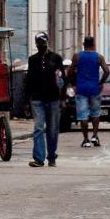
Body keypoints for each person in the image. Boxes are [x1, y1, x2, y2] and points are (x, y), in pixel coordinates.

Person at [26, 32, 63, 167]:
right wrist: (26, 100)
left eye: (43, 42)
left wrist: (62, 98)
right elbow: (29, 80)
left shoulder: (56, 58)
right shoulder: (33, 59)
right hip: (37, 99)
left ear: (47, 42)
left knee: (52, 129)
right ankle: (39, 158)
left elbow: (61, 78)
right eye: (38, 42)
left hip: (53, 99)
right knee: (39, 127)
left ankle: (52, 156)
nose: (41, 45)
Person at [70, 36, 109, 148]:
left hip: (81, 88)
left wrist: (74, 83)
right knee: (95, 113)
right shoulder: (99, 57)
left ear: (84, 44)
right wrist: (101, 82)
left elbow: (70, 71)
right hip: (94, 88)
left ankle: (86, 139)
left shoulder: (77, 56)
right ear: (94, 44)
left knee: (83, 115)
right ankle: (95, 136)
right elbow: (106, 71)